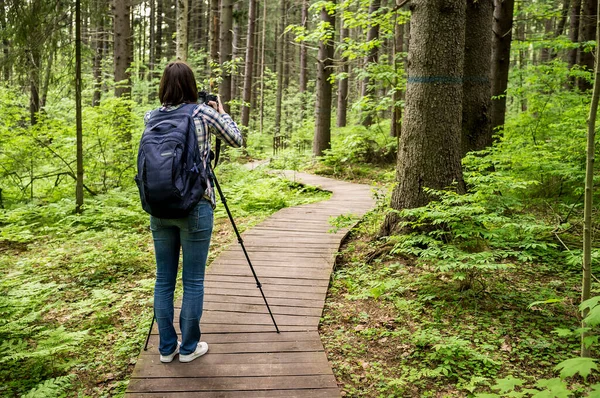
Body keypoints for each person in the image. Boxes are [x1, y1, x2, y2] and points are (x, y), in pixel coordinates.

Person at [146, 61, 243, 363]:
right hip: (196, 205)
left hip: (159, 208)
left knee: (164, 279)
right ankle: (188, 348)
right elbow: (236, 140)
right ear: (191, 86)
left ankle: (165, 349)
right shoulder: (202, 112)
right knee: (193, 281)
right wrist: (222, 110)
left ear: (163, 86)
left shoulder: (151, 116)